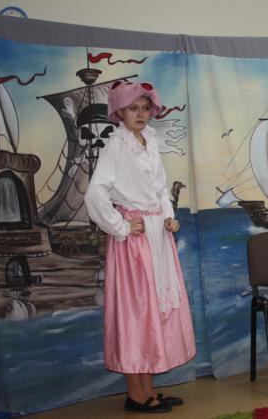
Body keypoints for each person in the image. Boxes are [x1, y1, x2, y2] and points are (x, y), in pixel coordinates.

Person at [85, 81, 196, 413]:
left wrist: (168, 216)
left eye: (146, 108)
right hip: (134, 243)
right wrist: (120, 226)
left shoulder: (150, 140)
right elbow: (95, 193)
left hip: (156, 237)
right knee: (136, 314)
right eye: (134, 108)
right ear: (119, 112)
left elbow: (160, 188)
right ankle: (136, 394)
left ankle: (149, 389)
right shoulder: (116, 145)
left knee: (152, 312)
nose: (141, 114)